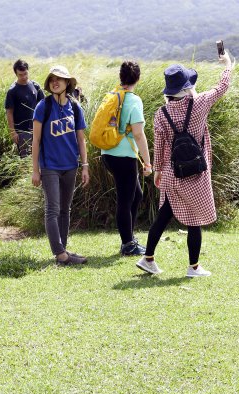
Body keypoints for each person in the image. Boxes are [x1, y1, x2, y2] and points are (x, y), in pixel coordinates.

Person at [135, 50, 233, 278]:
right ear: (187, 86)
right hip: (195, 172)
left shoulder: (161, 114)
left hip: (171, 172)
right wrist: (227, 63)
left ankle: (148, 258)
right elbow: (222, 86)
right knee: (194, 218)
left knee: (163, 215)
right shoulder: (199, 103)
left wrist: (158, 171)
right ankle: (193, 267)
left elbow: (159, 147)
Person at [31, 65, 90, 265]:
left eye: (60, 79)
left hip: (71, 166)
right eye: (52, 79)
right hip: (50, 167)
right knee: (53, 209)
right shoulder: (43, 106)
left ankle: (63, 251)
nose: (55, 82)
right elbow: (36, 140)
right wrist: (35, 170)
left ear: (67, 83)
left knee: (66, 209)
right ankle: (60, 253)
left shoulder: (74, 107)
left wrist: (85, 165)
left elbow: (81, 139)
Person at [101, 61, 153, 256]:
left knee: (136, 195)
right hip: (124, 157)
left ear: (120, 77)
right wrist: (147, 162)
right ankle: (128, 244)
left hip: (108, 154)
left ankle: (129, 238)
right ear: (137, 78)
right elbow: (139, 135)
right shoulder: (133, 100)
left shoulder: (112, 96)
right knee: (125, 199)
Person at [5, 59, 45, 157]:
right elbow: (9, 112)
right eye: (20, 75)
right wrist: (13, 132)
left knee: (41, 156)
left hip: (38, 128)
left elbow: (44, 104)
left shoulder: (35, 86)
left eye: (25, 74)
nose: (24, 77)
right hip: (22, 132)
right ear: (16, 74)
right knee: (26, 158)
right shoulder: (12, 91)